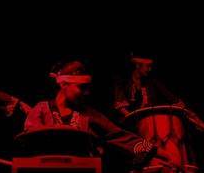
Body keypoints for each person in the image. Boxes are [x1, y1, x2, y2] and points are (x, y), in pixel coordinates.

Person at [25, 61, 162, 166]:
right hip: (45, 170)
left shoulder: (88, 114)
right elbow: (31, 137)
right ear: (64, 84)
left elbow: (120, 136)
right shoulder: (42, 108)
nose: (86, 93)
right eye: (82, 87)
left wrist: (156, 151)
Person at [114, 53, 184, 118]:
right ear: (137, 65)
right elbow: (121, 106)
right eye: (148, 66)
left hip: (148, 120)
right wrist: (133, 119)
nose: (150, 69)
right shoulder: (123, 81)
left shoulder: (152, 81)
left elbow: (170, 96)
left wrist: (180, 105)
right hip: (129, 122)